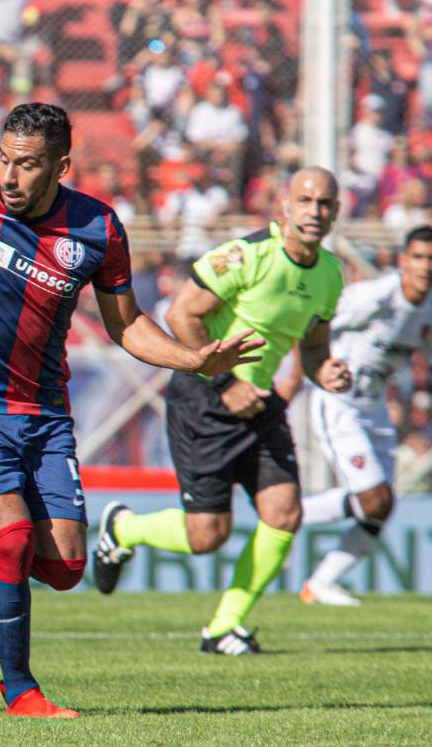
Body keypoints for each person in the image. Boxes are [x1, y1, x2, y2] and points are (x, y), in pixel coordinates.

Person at [0, 0, 262, 718]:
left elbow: (128, 326)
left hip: (43, 411)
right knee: (11, 533)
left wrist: (194, 360)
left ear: (60, 166)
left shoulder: (97, 228)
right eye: (4, 160)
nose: (9, 176)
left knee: (67, 567)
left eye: (26, 165)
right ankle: (21, 692)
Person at [93, 167, 352, 656]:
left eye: (325, 204)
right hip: (205, 399)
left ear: (336, 212)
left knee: (284, 512)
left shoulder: (329, 274)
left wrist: (328, 372)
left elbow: (314, 348)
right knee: (207, 534)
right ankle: (123, 527)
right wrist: (225, 382)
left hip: (259, 404)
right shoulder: (249, 255)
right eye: (306, 200)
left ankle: (223, 628)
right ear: (284, 204)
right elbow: (180, 314)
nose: (315, 212)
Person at [300, 226, 432, 606]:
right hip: (338, 403)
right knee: (374, 500)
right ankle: (285, 515)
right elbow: (312, 328)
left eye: (431, 259)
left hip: (374, 407)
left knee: (382, 505)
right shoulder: (373, 297)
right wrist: (307, 375)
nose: (425, 267)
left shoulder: (426, 307)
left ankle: (321, 583)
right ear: (403, 260)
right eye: (419, 257)